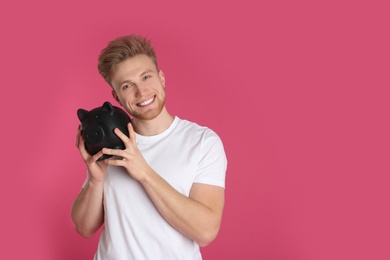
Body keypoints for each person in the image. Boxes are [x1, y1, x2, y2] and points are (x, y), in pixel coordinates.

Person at [71, 34, 227, 260]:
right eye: (127, 86)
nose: (141, 92)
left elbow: (205, 231)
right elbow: (83, 228)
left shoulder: (202, 141)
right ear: (116, 96)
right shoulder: (111, 142)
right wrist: (95, 180)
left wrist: (144, 173)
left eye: (146, 77)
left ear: (161, 78)